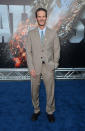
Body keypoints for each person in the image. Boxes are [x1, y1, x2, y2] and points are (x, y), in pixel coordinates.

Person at [26, 7, 60, 122]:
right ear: (36, 18)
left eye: (43, 16)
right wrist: (31, 68)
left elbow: (57, 50)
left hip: (48, 67)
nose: (41, 18)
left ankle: (50, 111)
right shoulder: (30, 34)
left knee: (50, 91)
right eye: (39, 16)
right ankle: (36, 110)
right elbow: (28, 53)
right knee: (34, 91)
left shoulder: (53, 33)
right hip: (35, 68)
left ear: (46, 17)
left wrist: (54, 64)